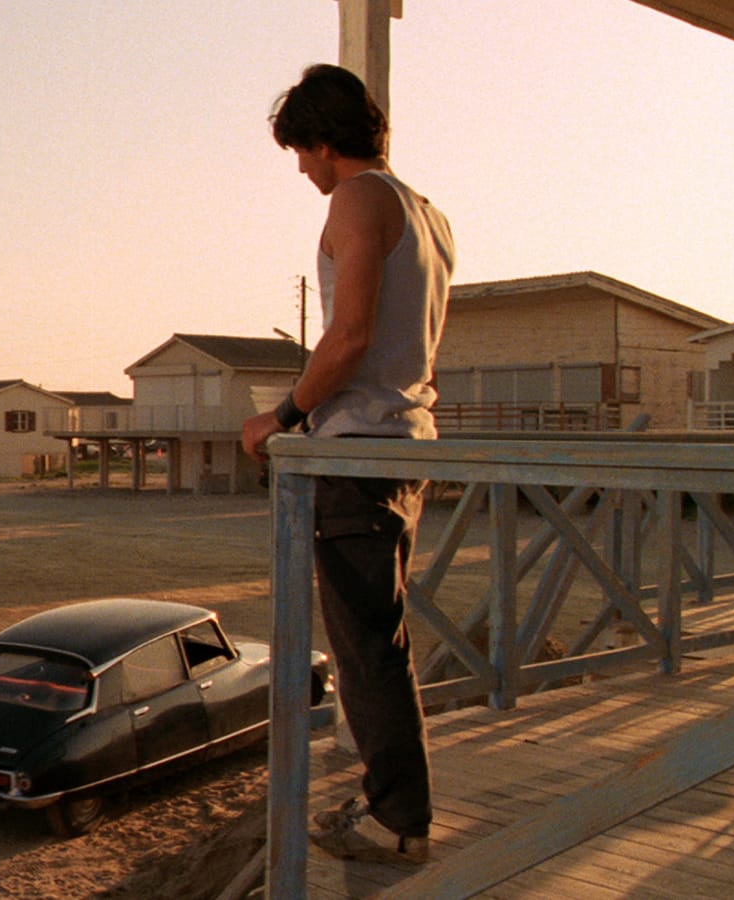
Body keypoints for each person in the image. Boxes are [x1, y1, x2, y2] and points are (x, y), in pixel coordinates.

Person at [242, 63, 455, 866]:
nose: (301, 168)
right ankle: (391, 805)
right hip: (404, 442)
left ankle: (399, 822)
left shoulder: (359, 199)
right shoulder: (428, 215)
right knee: (381, 641)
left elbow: (352, 336)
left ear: (325, 143)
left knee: (366, 649)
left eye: (302, 151)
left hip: (358, 448)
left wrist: (283, 415)